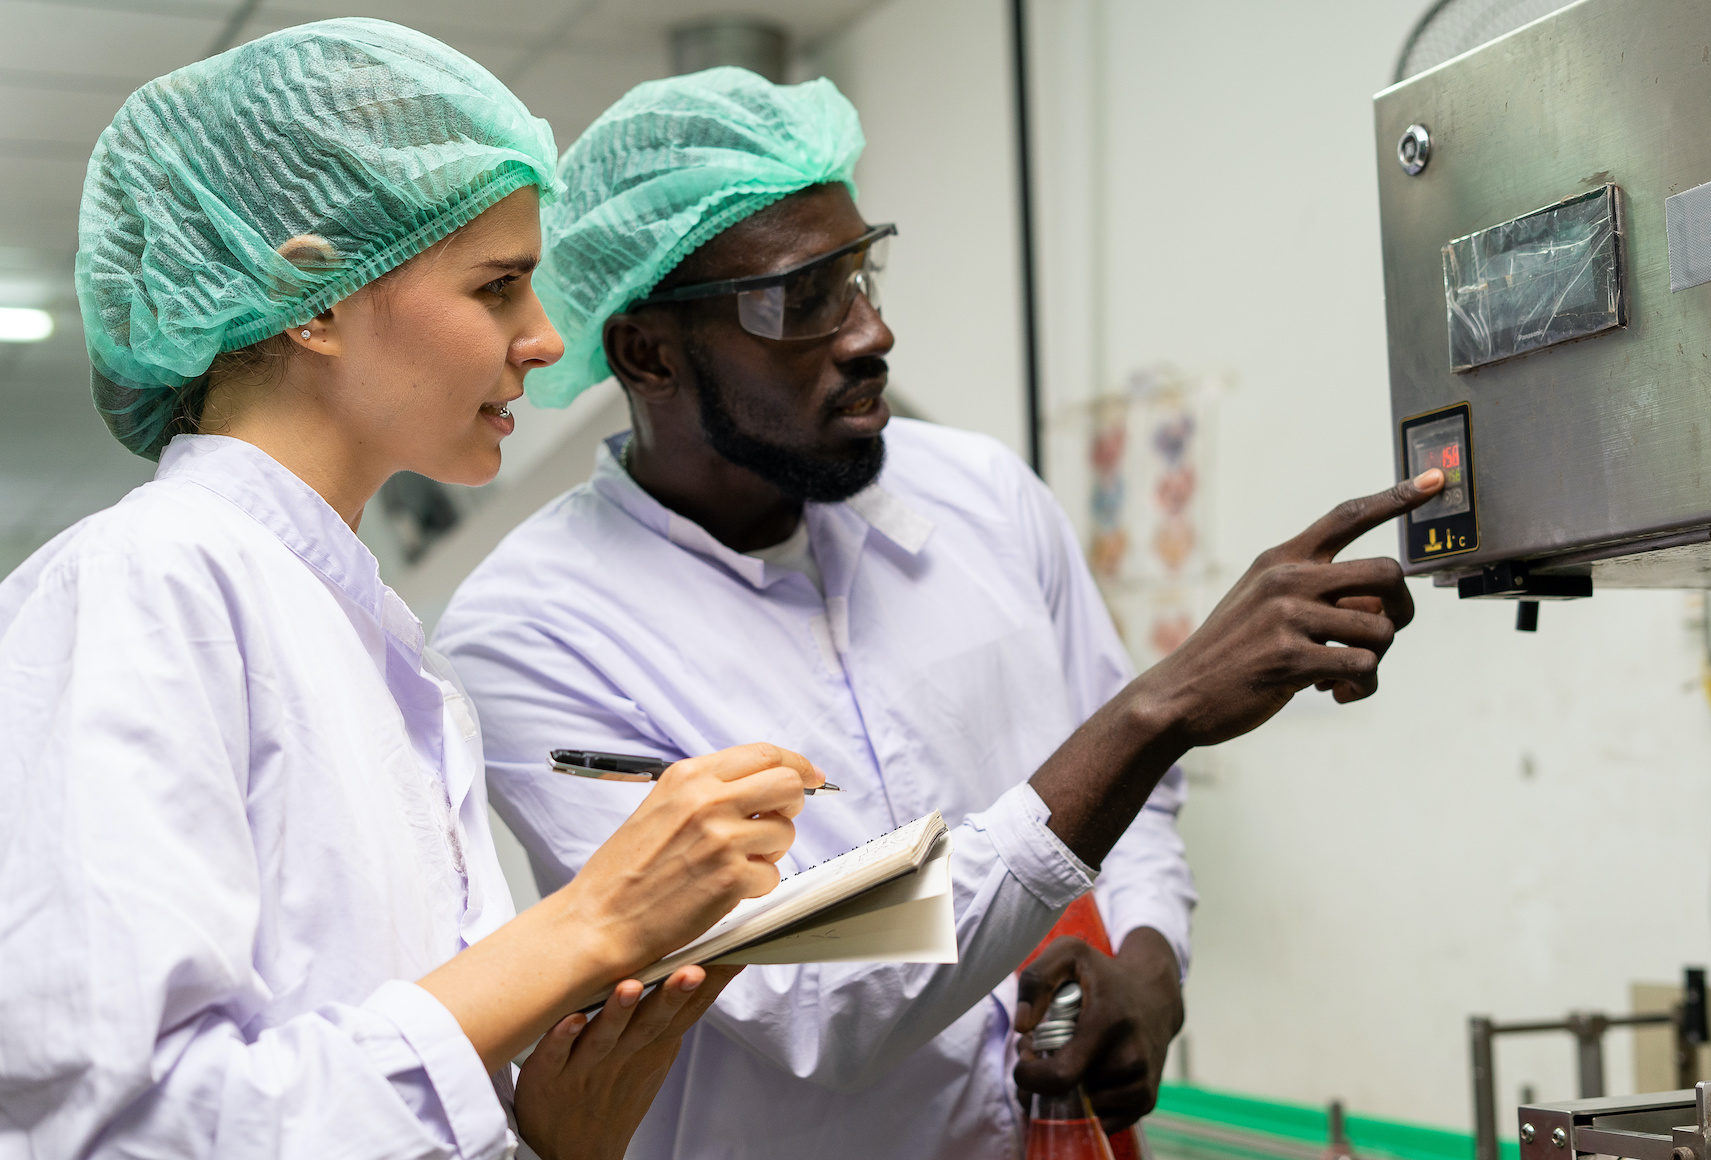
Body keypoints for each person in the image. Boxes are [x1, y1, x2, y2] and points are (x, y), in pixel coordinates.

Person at [435, 68, 1442, 1160]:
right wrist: (1159, 707)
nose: (870, 333)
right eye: (801, 298)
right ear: (646, 352)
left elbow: (1134, 809)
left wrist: (1150, 963)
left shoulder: (983, 498)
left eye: (862, 274)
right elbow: (807, 995)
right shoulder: (534, 631)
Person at [0, 26, 826, 1160]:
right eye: (496, 286)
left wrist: (543, 1135)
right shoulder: (141, 586)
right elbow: (130, 1126)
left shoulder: (366, 638)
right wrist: (587, 925)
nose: (543, 339)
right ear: (312, 294)